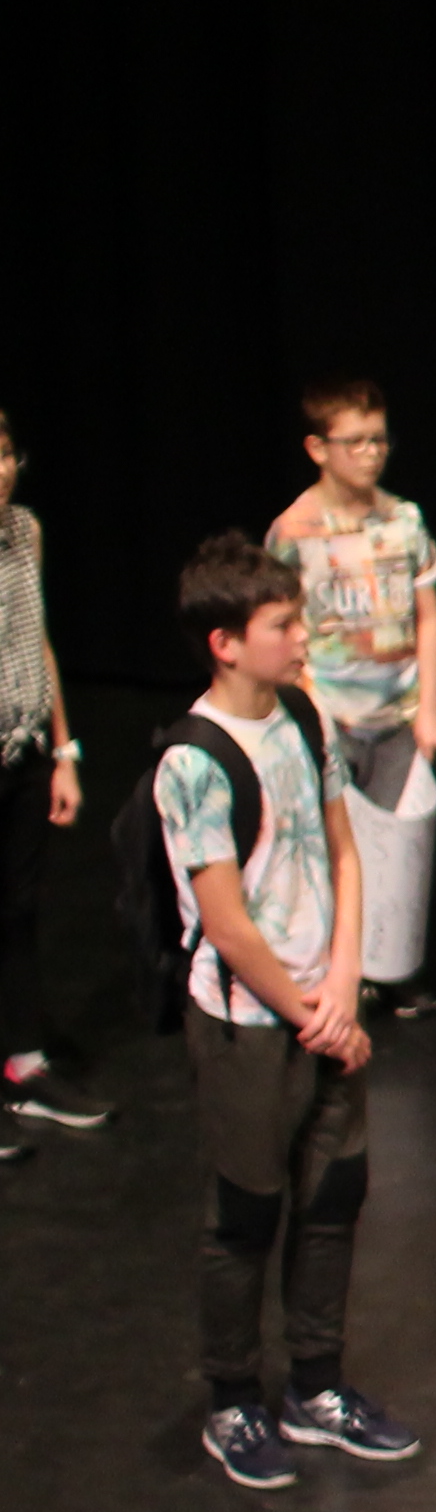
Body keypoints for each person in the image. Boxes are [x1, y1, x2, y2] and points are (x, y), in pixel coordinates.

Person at [156, 536, 418, 1489]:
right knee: (246, 1213)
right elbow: (226, 923)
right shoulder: (194, 760)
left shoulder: (305, 716)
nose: (302, 637)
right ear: (225, 643)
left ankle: (317, 1385)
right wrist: (311, 1011)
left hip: (326, 1006)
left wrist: (346, 983)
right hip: (249, 1024)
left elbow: (345, 851)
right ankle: (233, 1399)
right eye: (281, 625)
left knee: (333, 1195)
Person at [269, 377, 436, 1019]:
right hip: (330, 717)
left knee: (397, 846)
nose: (372, 454)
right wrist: (307, 704)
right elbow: (280, 627)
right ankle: (343, 970)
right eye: (356, 442)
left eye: (379, 440)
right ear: (318, 448)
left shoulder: (403, 520)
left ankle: (395, 964)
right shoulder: (294, 530)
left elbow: (427, 616)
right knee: (335, 848)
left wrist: (429, 707)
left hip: (395, 716)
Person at [0, 407, 109, 1139]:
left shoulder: (24, 530)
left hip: (26, 749)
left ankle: (24, 1064)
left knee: (17, 909)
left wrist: (63, 751)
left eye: (6, 453)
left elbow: (37, 641)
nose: (1, 470)